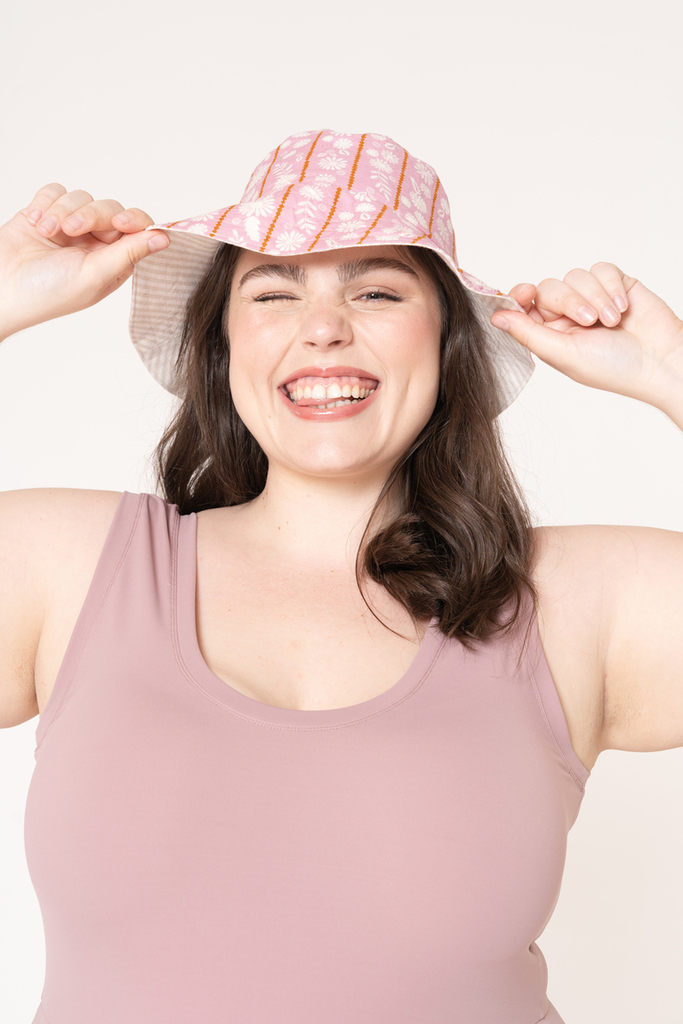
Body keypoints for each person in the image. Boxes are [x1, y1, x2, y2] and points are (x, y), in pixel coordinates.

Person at [0, 129, 681, 1024]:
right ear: (222, 343)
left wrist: (674, 371)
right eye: (273, 290)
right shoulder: (61, 565)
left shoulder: (577, 602)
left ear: (447, 341)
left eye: (375, 289)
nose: (322, 326)